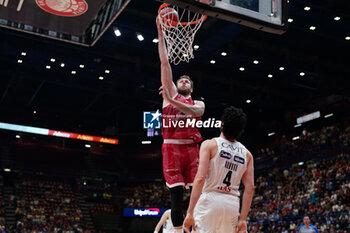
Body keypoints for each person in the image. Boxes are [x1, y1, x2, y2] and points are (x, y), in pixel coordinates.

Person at [156, 17, 205, 233]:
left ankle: (200, 228)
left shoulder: (197, 103)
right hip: (171, 147)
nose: (183, 81)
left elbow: (195, 112)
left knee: (200, 195)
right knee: (176, 198)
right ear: (175, 84)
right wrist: (160, 31)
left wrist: (173, 100)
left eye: (187, 81)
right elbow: (165, 62)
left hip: (191, 149)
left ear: (191, 88)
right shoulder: (169, 94)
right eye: (181, 80)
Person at [183, 106, 255, 233]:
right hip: (232, 203)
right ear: (240, 130)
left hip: (210, 200)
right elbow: (250, 187)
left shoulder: (209, 144)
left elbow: (200, 178)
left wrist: (189, 212)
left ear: (222, 124)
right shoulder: (247, 154)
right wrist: (243, 219)